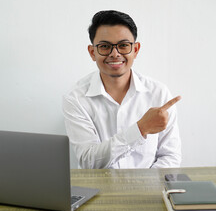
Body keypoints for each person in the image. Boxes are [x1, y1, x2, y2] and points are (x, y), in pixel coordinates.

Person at [62, 10, 181, 169]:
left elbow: (170, 156)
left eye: (123, 45)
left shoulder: (159, 93)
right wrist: (141, 129)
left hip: (149, 188)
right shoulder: (76, 98)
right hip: (99, 190)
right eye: (105, 46)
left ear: (136, 49)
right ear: (92, 52)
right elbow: (88, 161)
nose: (115, 54)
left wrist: (145, 187)